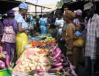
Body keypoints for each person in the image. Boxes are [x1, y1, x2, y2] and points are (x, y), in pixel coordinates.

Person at [84, 2, 99, 76]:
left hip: (94, 48)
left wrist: (98, 51)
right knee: (87, 67)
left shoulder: (97, 19)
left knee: (94, 69)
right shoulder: (89, 20)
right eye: (86, 11)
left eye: (88, 10)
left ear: (92, 9)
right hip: (88, 47)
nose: (87, 12)